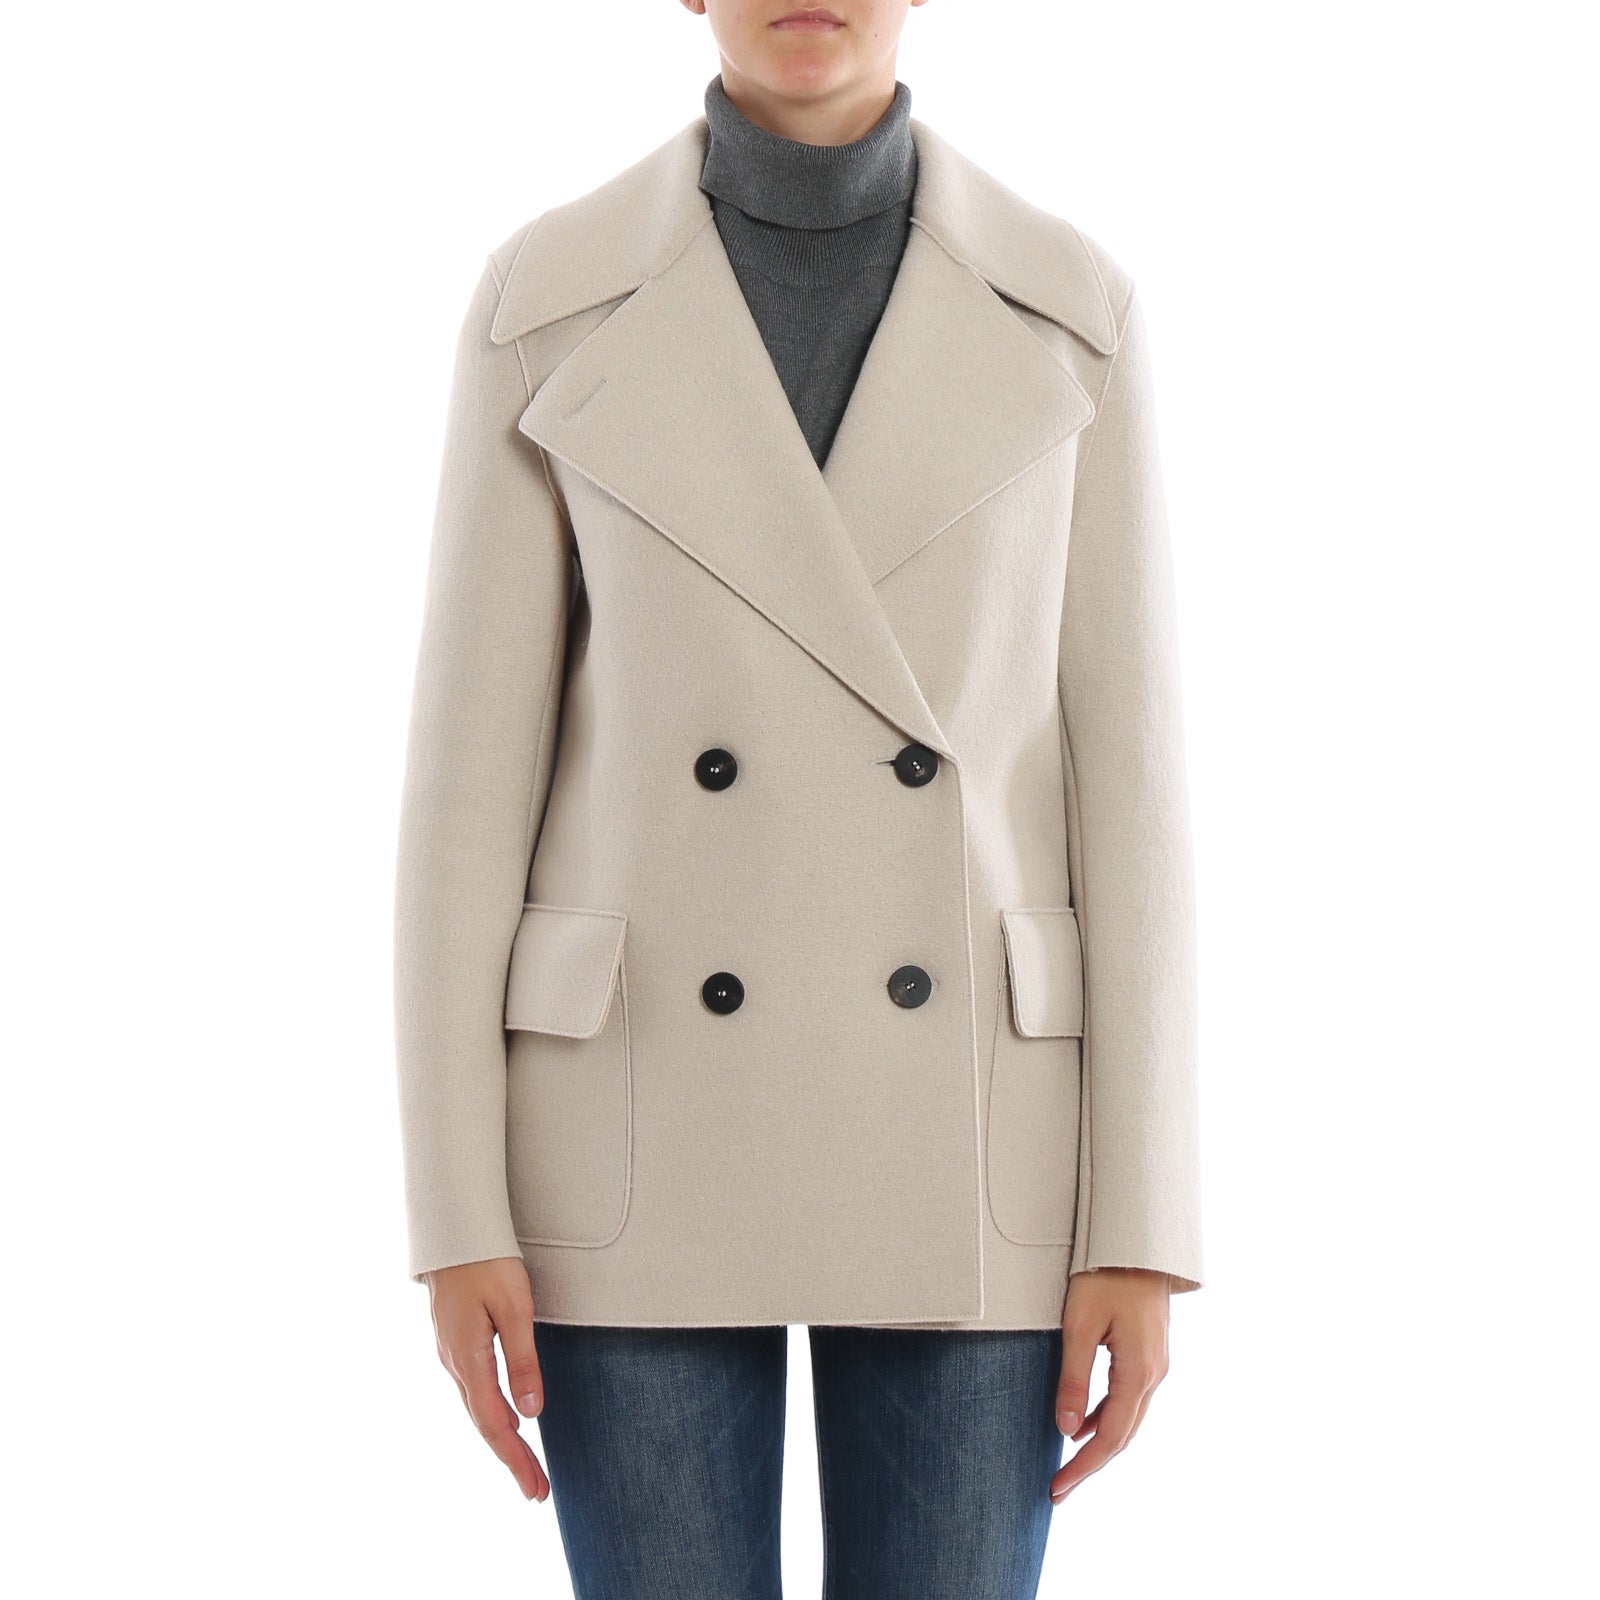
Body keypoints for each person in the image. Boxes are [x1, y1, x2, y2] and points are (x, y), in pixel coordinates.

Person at [393, 3, 1203, 1594]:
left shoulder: (1071, 310)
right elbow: (464, 801)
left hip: (975, 1133)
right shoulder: (545, 298)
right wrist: (455, 1210)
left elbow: (1134, 799)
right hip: (632, 1127)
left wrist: (1143, 1224)